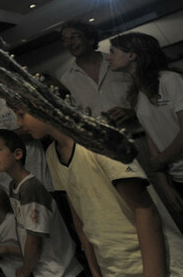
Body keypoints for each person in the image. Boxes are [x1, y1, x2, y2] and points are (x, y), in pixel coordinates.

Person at [13, 103, 183, 276]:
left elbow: (145, 211)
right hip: (114, 266)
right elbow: (80, 220)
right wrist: (95, 269)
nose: (18, 123)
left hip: (154, 263)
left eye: (21, 114)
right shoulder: (52, 154)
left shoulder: (98, 138)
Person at [107, 32, 183, 226]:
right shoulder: (138, 93)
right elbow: (152, 135)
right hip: (176, 175)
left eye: (113, 52)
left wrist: (160, 160)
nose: (108, 57)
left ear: (132, 55)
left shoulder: (169, 80)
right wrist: (164, 182)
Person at [0, 130, 82, 277]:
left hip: (60, 271)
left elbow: (34, 240)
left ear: (17, 154)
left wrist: (25, 270)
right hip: (44, 270)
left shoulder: (30, 188)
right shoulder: (14, 186)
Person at [59, 20, 134, 124]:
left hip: (140, 134)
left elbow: (148, 97)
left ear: (90, 39)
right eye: (65, 40)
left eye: (74, 37)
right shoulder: (66, 81)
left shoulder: (120, 64)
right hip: (103, 139)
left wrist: (132, 112)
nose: (69, 43)